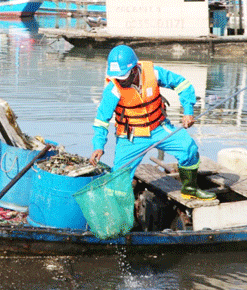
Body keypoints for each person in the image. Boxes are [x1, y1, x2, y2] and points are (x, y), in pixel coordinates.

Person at [89, 45, 216, 201]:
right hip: (131, 137)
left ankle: (190, 188)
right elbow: (101, 120)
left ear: (134, 70)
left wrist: (188, 111)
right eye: (117, 77)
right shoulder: (113, 89)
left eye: (123, 77)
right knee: (119, 179)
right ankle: (119, 213)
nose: (119, 81)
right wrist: (98, 146)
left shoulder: (154, 73)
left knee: (188, 148)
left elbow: (182, 84)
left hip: (159, 128)